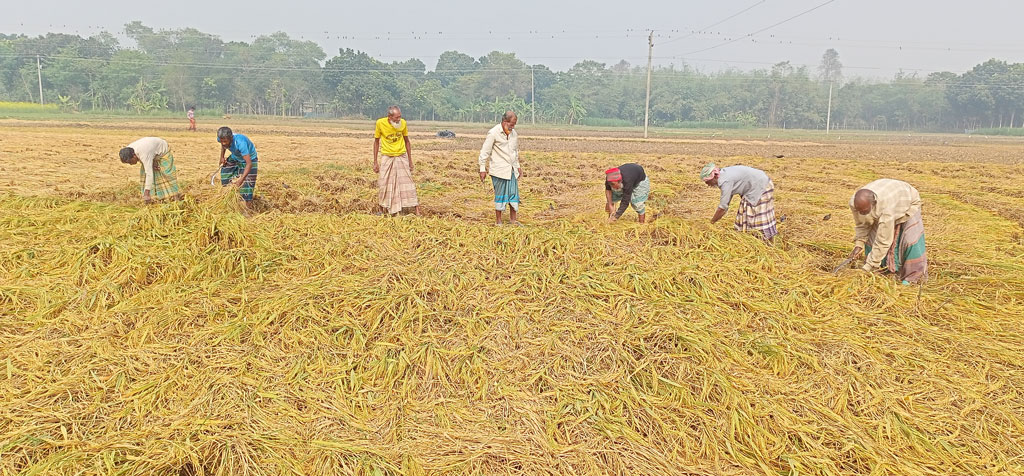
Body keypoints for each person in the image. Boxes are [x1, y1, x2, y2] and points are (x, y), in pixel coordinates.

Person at [848, 179, 928, 283]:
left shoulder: (886, 209)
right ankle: (883, 268)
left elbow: (883, 241)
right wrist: (858, 245)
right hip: (888, 193)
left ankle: (913, 278)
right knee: (872, 238)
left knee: (909, 239)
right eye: (860, 211)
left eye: (865, 211)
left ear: (874, 204)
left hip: (907, 201)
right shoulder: (855, 203)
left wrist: (868, 267)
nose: (862, 213)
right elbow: (862, 224)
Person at [701, 163, 778, 242]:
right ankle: (757, 240)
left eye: (708, 181)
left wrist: (711, 222)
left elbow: (723, 208)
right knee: (748, 212)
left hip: (760, 187)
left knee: (757, 218)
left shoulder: (725, 181)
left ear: (714, 177)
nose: (707, 184)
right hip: (761, 183)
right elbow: (726, 201)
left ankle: (766, 243)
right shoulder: (724, 174)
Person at [373, 105, 420, 215]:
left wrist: (410, 161)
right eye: (396, 118)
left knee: (407, 182)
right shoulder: (380, 123)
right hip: (387, 156)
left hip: (401, 155)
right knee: (384, 182)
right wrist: (375, 162)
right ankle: (382, 209)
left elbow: (407, 141)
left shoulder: (403, 123)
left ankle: (416, 209)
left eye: (400, 117)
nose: (398, 119)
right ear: (389, 116)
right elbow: (376, 142)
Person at [479, 111, 523, 225]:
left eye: (514, 125)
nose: (513, 127)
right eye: (511, 124)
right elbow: (485, 151)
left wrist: (517, 166)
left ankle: (513, 220)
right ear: (504, 122)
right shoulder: (493, 133)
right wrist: (482, 168)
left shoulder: (514, 134)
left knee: (513, 194)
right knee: (500, 195)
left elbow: (515, 151)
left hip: (511, 169)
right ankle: (498, 221)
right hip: (499, 170)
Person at [118, 137, 181, 203]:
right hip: (150, 152)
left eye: (130, 162)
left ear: (134, 155)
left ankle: (175, 199)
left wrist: (146, 193)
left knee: (166, 175)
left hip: (163, 151)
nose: (130, 164)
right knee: (145, 175)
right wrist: (152, 163)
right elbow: (146, 158)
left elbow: (149, 174)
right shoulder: (128, 150)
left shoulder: (144, 153)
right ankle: (156, 198)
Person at [216, 126, 258, 203]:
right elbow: (223, 145)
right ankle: (228, 195)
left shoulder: (240, 143)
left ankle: (247, 206)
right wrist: (222, 157)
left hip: (249, 158)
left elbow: (249, 164)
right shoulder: (221, 138)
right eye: (221, 141)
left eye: (225, 141)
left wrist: (241, 180)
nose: (223, 143)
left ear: (231, 138)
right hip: (235, 156)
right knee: (225, 172)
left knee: (247, 183)